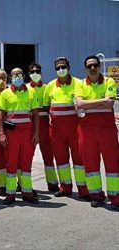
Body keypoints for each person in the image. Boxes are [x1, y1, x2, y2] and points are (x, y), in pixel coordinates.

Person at [75, 55, 119, 209]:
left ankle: (115, 197)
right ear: (85, 68)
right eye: (89, 66)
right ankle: (97, 195)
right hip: (87, 131)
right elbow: (79, 103)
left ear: (99, 66)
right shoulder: (80, 84)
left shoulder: (109, 81)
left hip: (107, 131)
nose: (92, 68)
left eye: (95, 65)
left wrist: (87, 105)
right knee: (91, 164)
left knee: (113, 164)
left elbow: (110, 103)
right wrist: (101, 102)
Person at [43, 57, 89, 199]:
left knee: (79, 160)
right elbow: (46, 106)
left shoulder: (79, 83)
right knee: (61, 160)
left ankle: (83, 190)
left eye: (63, 67)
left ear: (69, 67)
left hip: (76, 130)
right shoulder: (50, 86)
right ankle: (65, 187)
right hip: (57, 132)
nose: (61, 70)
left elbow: (86, 105)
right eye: (58, 68)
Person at [0, 67, 40, 205]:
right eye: (14, 75)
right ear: (11, 77)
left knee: (26, 163)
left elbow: (35, 115)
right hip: (11, 133)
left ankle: (27, 193)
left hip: (27, 133)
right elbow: (1, 115)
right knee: (11, 163)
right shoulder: (5, 93)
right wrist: (2, 133)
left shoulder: (31, 92)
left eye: (19, 75)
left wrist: (36, 134)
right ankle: (10, 194)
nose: (17, 77)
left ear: (23, 76)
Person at [27, 63, 59, 193]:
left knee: (48, 156)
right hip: (29, 127)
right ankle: (25, 184)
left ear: (41, 73)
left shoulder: (47, 88)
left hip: (45, 126)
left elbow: (50, 107)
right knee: (27, 157)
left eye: (37, 71)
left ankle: (52, 184)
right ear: (29, 73)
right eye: (32, 71)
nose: (35, 73)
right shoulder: (25, 88)